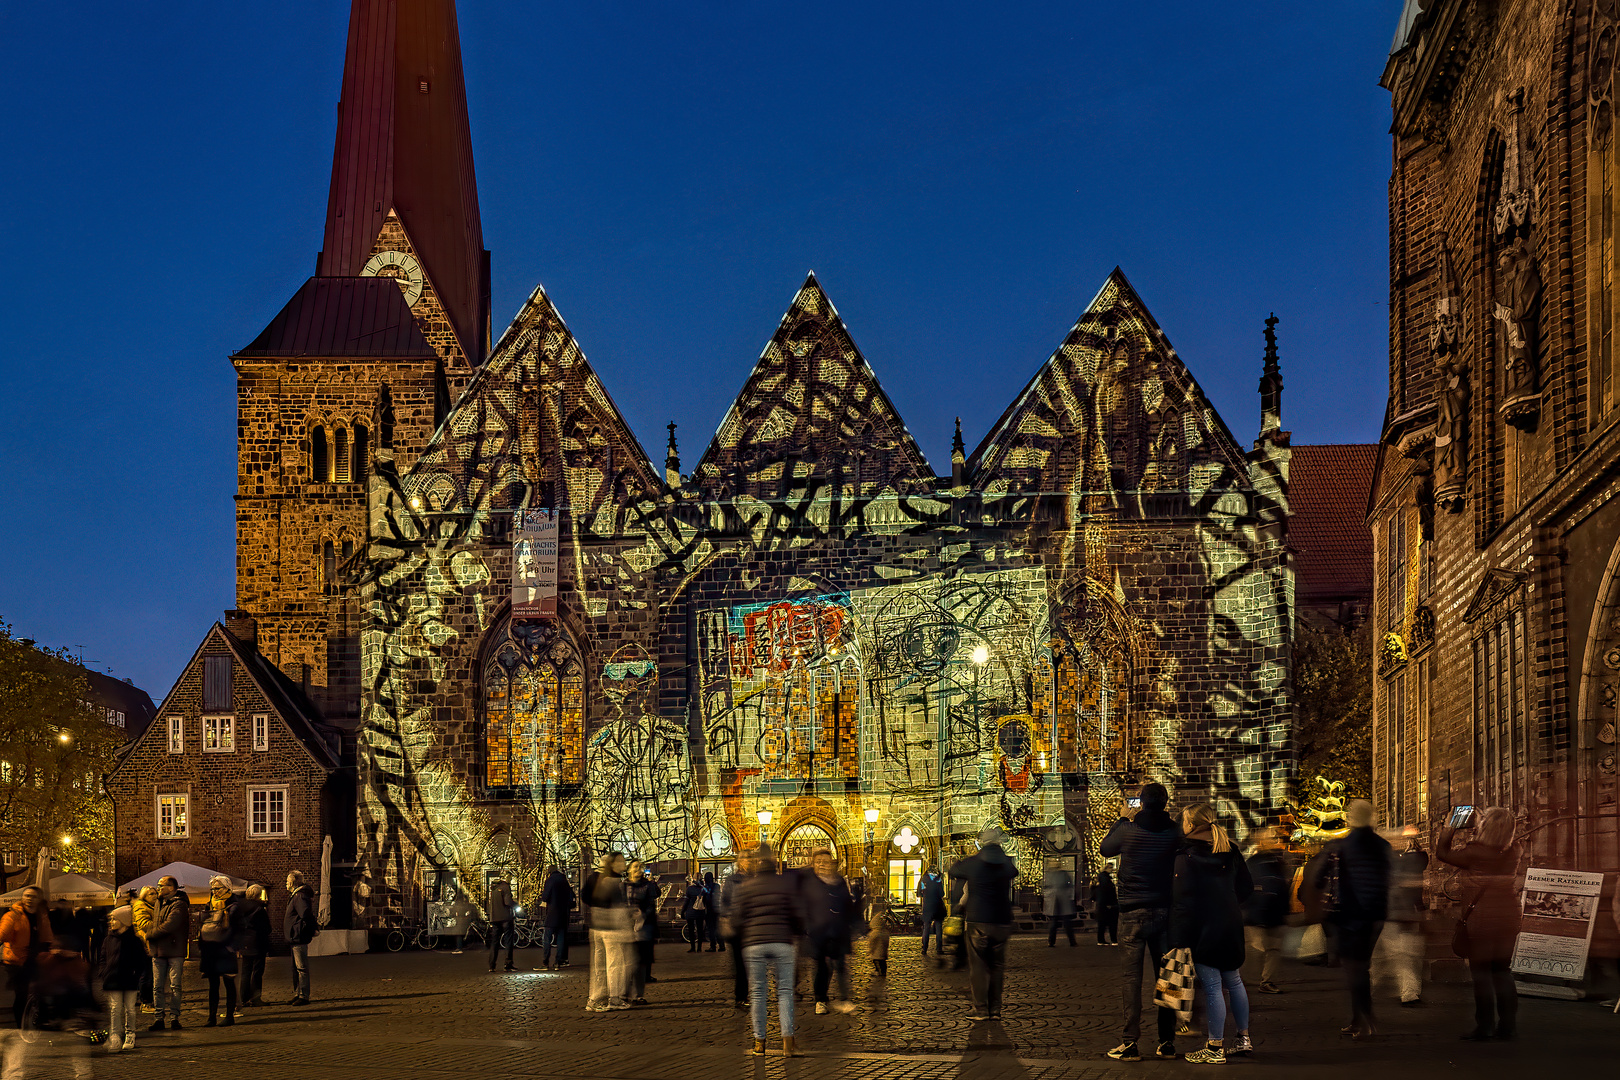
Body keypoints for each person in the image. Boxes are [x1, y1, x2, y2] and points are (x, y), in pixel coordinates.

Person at [1100, 783, 1183, 1061]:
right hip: (1164, 911)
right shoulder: (1174, 832)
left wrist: (1123, 817)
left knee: (1131, 978)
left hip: (1132, 912)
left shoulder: (1128, 829)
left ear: (1142, 803)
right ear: (1165, 802)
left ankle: (1130, 1041)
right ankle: (1167, 1041)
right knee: (1168, 977)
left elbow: (1105, 849)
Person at [1171, 804, 1255, 1064]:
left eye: (1184, 820)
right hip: (1229, 923)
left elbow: (1181, 899)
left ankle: (1215, 1046)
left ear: (1191, 825)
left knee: (1211, 985)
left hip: (1202, 926)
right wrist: (1227, 904)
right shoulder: (1229, 850)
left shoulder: (1186, 856)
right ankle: (1243, 1039)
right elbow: (1247, 887)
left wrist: (1178, 937)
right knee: (1234, 981)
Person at [1437, 807, 1522, 1041]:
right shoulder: (1515, 850)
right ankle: (1508, 1027)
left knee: (1482, 974)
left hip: (1482, 920)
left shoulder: (1474, 853)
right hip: (1509, 917)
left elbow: (1442, 853)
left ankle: (1484, 1027)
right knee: (1502, 972)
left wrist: (1450, 825)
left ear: (1486, 828)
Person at [1314, 799, 1390, 1040]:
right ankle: (1361, 1019)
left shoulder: (1340, 846)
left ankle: (1365, 1020)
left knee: (1354, 969)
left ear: (1350, 818)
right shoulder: (1382, 846)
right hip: (1376, 914)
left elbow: (1318, 878)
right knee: (1361, 967)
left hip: (1349, 913)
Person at [733, 843, 804, 1056]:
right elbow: (798, 916)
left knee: (758, 993)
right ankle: (788, 1044)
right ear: (774, 862)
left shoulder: (746, 886)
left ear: (757, 864)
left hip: (754, 944)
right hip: (782, 942)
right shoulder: (787, 885)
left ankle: (759, 1042)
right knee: (784, 992)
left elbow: (737, 919)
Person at [949, 825, 1018, 1022]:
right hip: (1002, 921)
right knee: (997, 966)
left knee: (978, 965)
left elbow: (954, 869)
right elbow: (1014, 872)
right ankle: (995, 1010)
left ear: (982, 843)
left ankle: (980, 1009)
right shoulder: (1005, 863)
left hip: (978, 920)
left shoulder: (974, 862)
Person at [1374, 826, 1428, 1008]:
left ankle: (1407, 992)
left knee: (1389, 957)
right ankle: (1409, 992)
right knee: (1404, 956)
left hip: (1391, 914)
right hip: (1401, 913)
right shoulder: (1403, 861)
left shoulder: (1386, 862)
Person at [800, 846, 855, 1014]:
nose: (822, 864)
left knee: (839, 965)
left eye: (825, 861)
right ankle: (820, 1000)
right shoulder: (809, 883)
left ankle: (844, 998)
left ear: (832, 864)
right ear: (813, 864)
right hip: (818, 933)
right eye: (818, 862)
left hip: (838, 931)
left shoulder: (839, 882)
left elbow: (847, 905)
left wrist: (851, 924)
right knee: (822, 967)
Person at [1243, 827, 1292, 994]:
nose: (1274, 841)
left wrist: (1285, 910)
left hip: (1274, 913)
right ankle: (1247, 978)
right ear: (1260, 842)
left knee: (1273, 949)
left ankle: (1266, 981)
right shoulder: (1252, 863)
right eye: (1270, 838)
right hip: (1256, 914)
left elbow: (1283, 887)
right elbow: (1245, 889)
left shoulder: (1277, 862)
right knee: (1256, 948)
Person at [582, 850, 632, 1011]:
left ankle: (595, 999)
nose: (623, 864)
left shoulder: (596, 877)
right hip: (612, 929)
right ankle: (613, 998)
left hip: (596, 927)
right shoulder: (615, 881)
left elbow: (585, 896)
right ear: (613, 863)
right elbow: (619, 907)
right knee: (615, 964)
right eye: (621, 861)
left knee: (599, 966)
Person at [1, 885, 53, 1028]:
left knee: (42, 989)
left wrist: (48, 949)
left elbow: (47, 936)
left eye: (33, 896)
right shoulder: (13, 915)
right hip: (16, 961)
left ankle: (41, 1020)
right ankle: (20, 1026)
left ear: (39, 899)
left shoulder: (41, 916)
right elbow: (2, 934)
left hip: (34, 959)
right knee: (21, 994)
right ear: (22, 898)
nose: (29, 899)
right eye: (27, 896)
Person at [147, 875, 190, 1030]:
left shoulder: (179, 904)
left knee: (175, 986)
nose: (158, 888)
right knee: (157, 987)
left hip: (174, 951)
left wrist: (150, 934)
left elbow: (169, 925)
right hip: (158, 951)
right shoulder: (159, 902)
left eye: (161, 885)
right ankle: (159, 1018)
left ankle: (174, 1018)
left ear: (171, 888)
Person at [100, 905, 144, 1052]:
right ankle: (115, 1036)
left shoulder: (135, 941)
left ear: (124, 921)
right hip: (113, 979)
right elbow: (103, 957)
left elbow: (141, 960)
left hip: (130, 979)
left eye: (114, 919)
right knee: (115, 1009)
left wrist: (136, 974)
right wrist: (104, 972)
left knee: (130, 1009)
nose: (111, 922)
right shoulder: (108, 939)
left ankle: (130, 1034)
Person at [198, 876, 238, 1027]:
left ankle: (229, 1016)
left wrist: (231, 946)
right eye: (213, 889)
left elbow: (238, 928)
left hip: (226, 950)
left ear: (227, 888)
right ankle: (211, 1017)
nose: (215, 892)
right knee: (213, 985)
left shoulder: (234, 905)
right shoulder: (211, 904)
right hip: (211, 950)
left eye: (218, 888)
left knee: (229, 983)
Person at [718, 853, 753, 1009]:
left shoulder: (755, 879)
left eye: (750, 858)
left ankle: (751, 993)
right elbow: (724, 901)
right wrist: (725, 919)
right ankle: (741, 996)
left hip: (753, 926)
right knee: (741, 964)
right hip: (738, 926)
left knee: (752, 963)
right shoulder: (732, 880)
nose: (748, 861)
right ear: (739, 862)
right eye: (744, 858)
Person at [625, 860, 660, 1004]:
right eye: (635, 867)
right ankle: (624, 994)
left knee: (639, 963)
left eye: (640, 867)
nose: (638, 869)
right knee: (627, 963)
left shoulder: (648, 885)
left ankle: (638, 995)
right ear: (628, 870)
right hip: (626, 928)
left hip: (643, 928)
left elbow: (652, 903)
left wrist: (642, 915)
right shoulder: (623, 886)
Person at [284, 870, 319, 1006]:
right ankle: (298, 993)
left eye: (287, 881)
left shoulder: (299, 896)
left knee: (301, 967)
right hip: (294, 936)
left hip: (298, 936)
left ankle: (303, 995)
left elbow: (305, 914)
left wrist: (309, 929)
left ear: (293, 882)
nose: (286, 884)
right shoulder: (297, 895)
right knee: (296, 967)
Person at [234, 884, 272, 1007]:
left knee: (245, 971)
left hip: (245, 943)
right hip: (258, 943)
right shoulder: (259, 909)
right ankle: (255, 998)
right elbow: (267, 928)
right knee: (257, 971)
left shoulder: (240, 907)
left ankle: (244, 998)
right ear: (257, 895)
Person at [540, 866, 575, 970]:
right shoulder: (564, 880)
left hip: (552, 914)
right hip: (563, 914)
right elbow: (571, 896)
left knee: (547, 939)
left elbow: (545, 897)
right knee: (561, 939)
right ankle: (558, 962)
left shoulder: (550, 881)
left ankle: (545, 962)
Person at [131, 886, 156, 1010]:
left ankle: (148, 1000)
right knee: (147, 974)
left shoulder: (152, 906)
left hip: (151, 944)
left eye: (155, 893)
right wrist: (160, 922)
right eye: (151, 894)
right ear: (144, 896)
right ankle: (146, 1001)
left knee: (150, 974)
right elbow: (144, 924)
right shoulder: (141, 906)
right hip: (145, 944)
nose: (155, 895)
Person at [916, 866, 947, 961]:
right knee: (938, 928)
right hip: (937, 906)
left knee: (926, 928)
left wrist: (925, 894)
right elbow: (942, 894)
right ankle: (939, 948)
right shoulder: (938, 880)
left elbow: (919, 894)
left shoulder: (923, 880)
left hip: (927, 907)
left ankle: (924, 948)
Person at [1044, 865, 1078, 947]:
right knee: (1057, 923)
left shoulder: (1060, 875)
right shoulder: (1053, 875)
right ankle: (1052, 941)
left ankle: (1070, 941)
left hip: (1060, 901)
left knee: (1064, 923)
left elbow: (1069, 886)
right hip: (1056, 901)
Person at [487, 877, 516, 973]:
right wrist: (516, 905)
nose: (511, 880)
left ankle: (492, 965)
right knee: (508, 941)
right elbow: (507, 902)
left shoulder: (494, 888)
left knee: (495, 942)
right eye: (510, 878)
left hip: (495, 918)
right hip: (505, 918)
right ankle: (508, 964)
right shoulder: (505, 887)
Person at [681, 873, 709, 953]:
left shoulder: (690, 889)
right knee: (700, 930)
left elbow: (686, 902)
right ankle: (699, 948)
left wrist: (683, 911)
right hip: (700, 911)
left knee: (691, 930)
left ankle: (693, 947)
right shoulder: (704, 889)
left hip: (691, 911)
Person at [1094, 868, 1119, 945]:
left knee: (1102, 924)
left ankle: (1100, 940)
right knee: (1112, 924)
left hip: (1102, 905)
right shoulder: (1107, 882)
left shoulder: (1100, 882)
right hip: (1108, 905)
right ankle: (1113, 940)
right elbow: (1109, 893)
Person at [703, 871, 724, 951]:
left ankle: (713, 946)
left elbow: (704, 900)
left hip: (709, 910)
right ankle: (722, 945)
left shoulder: (705, 887)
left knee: (711, 929)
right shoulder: (717, 886)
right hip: (717, 909)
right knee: (718, 928)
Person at [867, 909, 890, 978]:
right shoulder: (885, 932)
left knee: (877, 962)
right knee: (883, 963)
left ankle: (879, 972)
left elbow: (872, 943)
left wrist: (870, 950)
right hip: (883, 952)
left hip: (876, 953)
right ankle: (883, 972)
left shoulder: (874, 933)